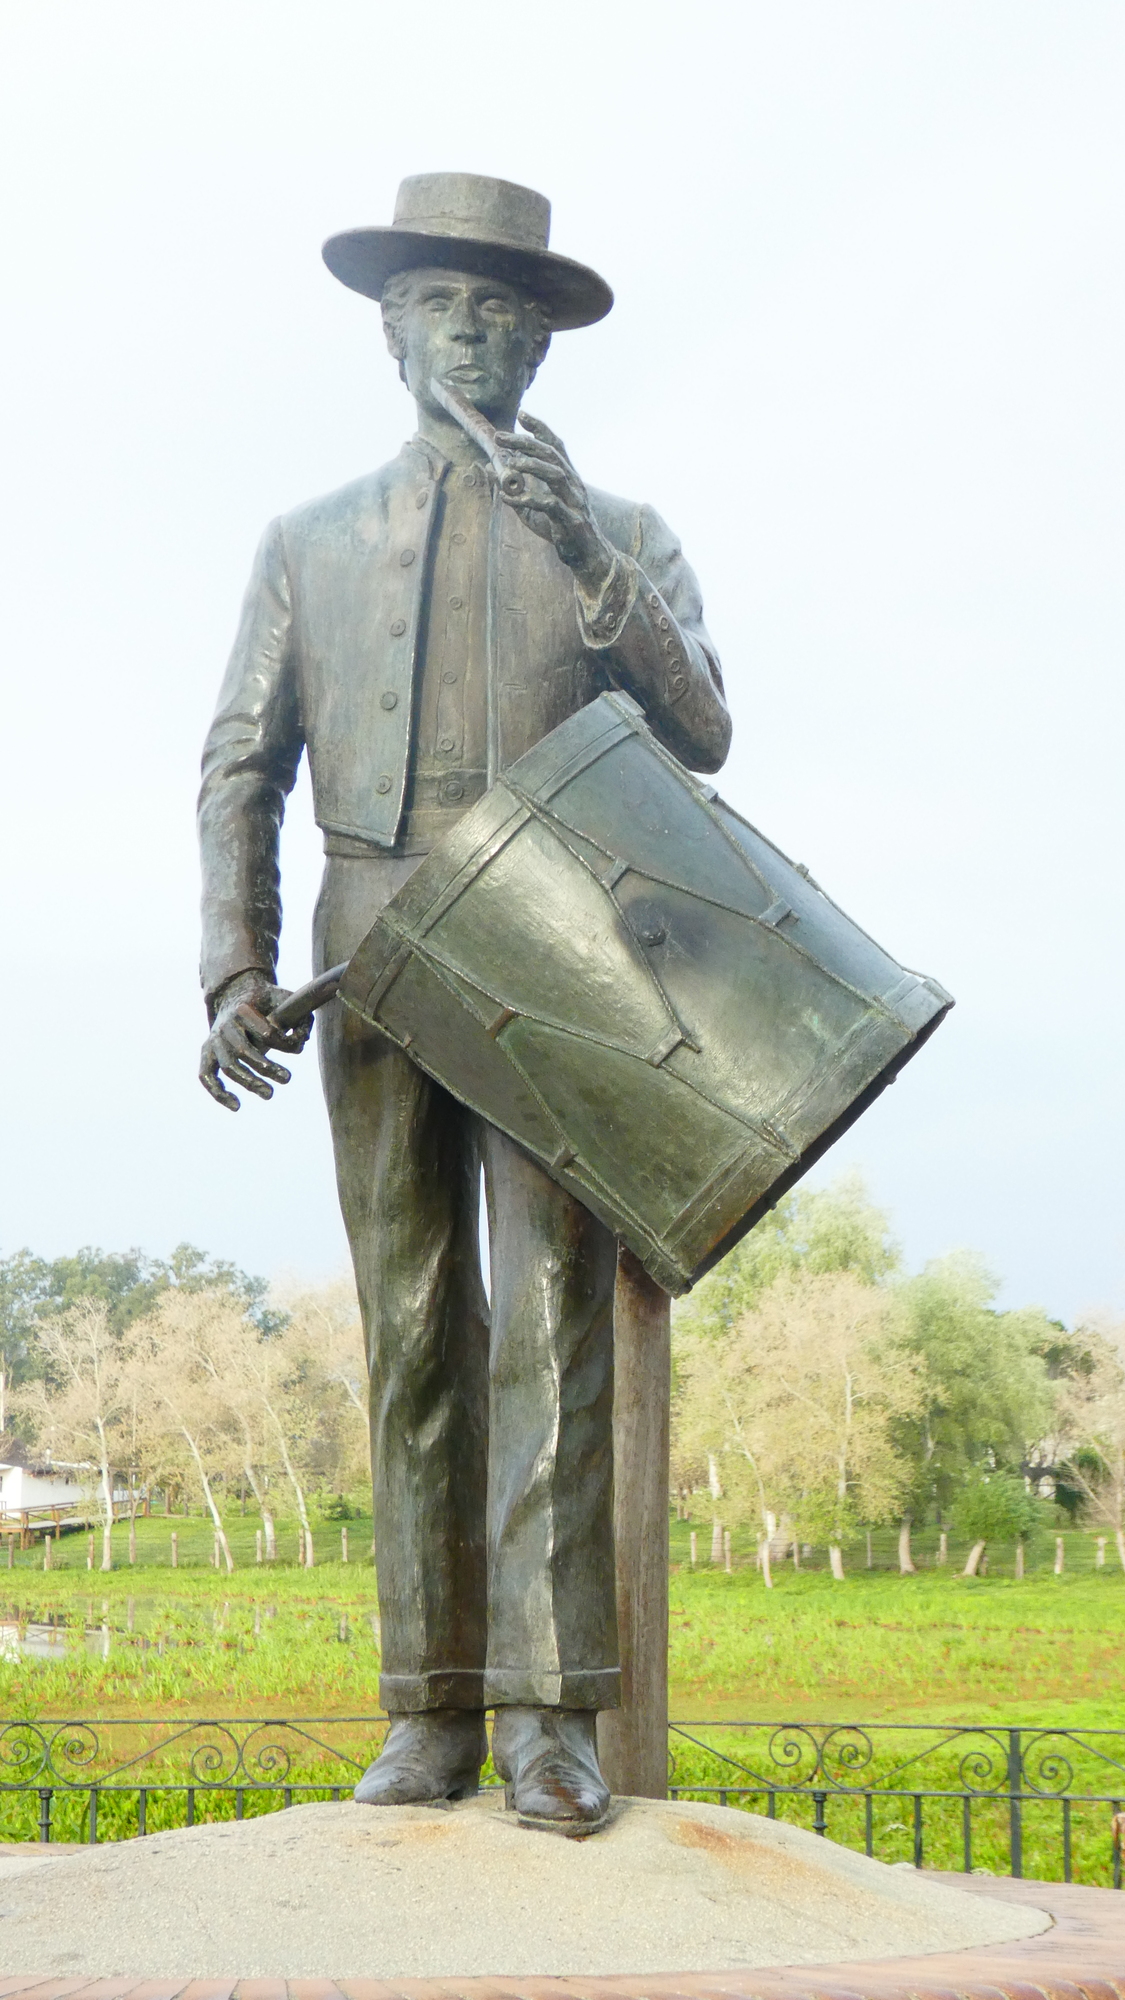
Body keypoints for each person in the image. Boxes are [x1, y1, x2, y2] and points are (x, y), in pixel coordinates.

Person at [197, 173, 730, 1832]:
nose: (473, 335)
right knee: (413, 1324)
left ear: (541, 348)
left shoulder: (619, 531)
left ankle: (547, 1715)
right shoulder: (305, 541)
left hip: (555, 945)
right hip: (366, 940)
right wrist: (236, 966)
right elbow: (240, 766)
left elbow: (706, 736)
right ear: (390, 332)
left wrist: (589, 563)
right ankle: (426, 1706)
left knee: (555, 1323)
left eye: (503, 311)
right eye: (440, 305)